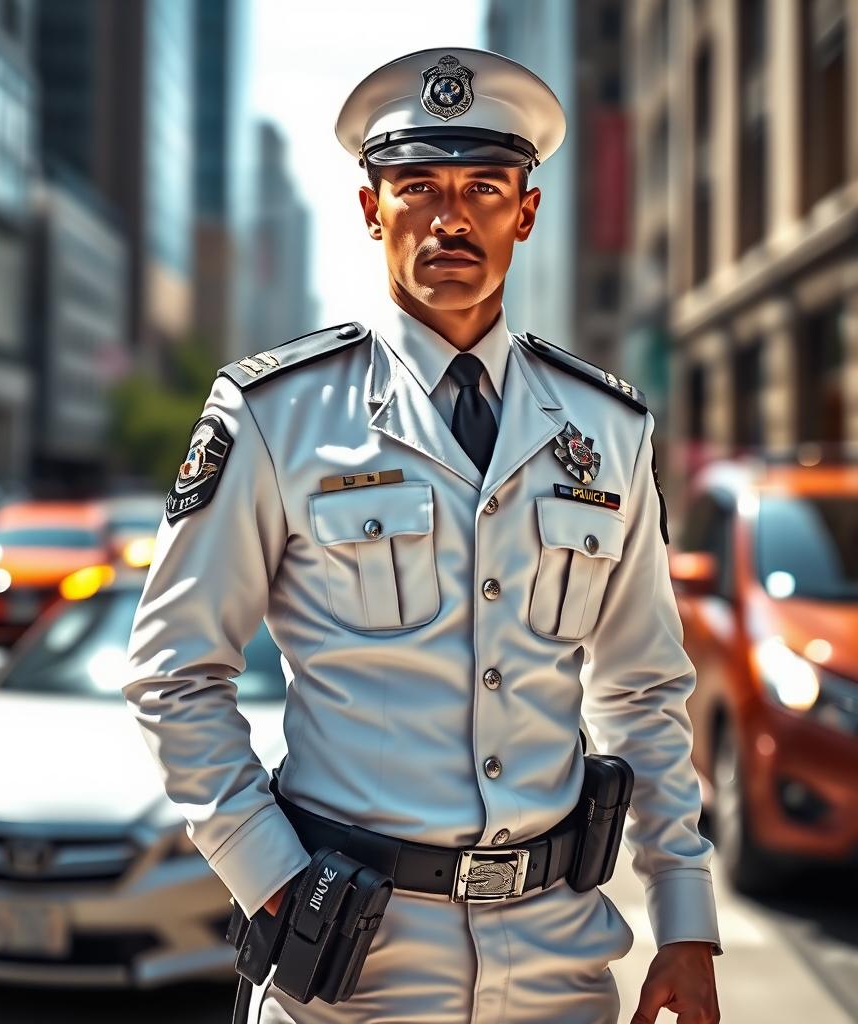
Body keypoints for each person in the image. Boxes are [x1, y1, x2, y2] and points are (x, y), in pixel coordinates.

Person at [122, 46, 722, 1024]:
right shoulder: (276, 411)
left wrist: (684, 919)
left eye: (484, 186)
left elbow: (642, 688)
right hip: (351, 969)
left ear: (525, 212)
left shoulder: (607, 427)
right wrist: (271, 879)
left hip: (559, 966)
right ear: (371, 209)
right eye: (417, 186)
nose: (451, 217)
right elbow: (173, 673)